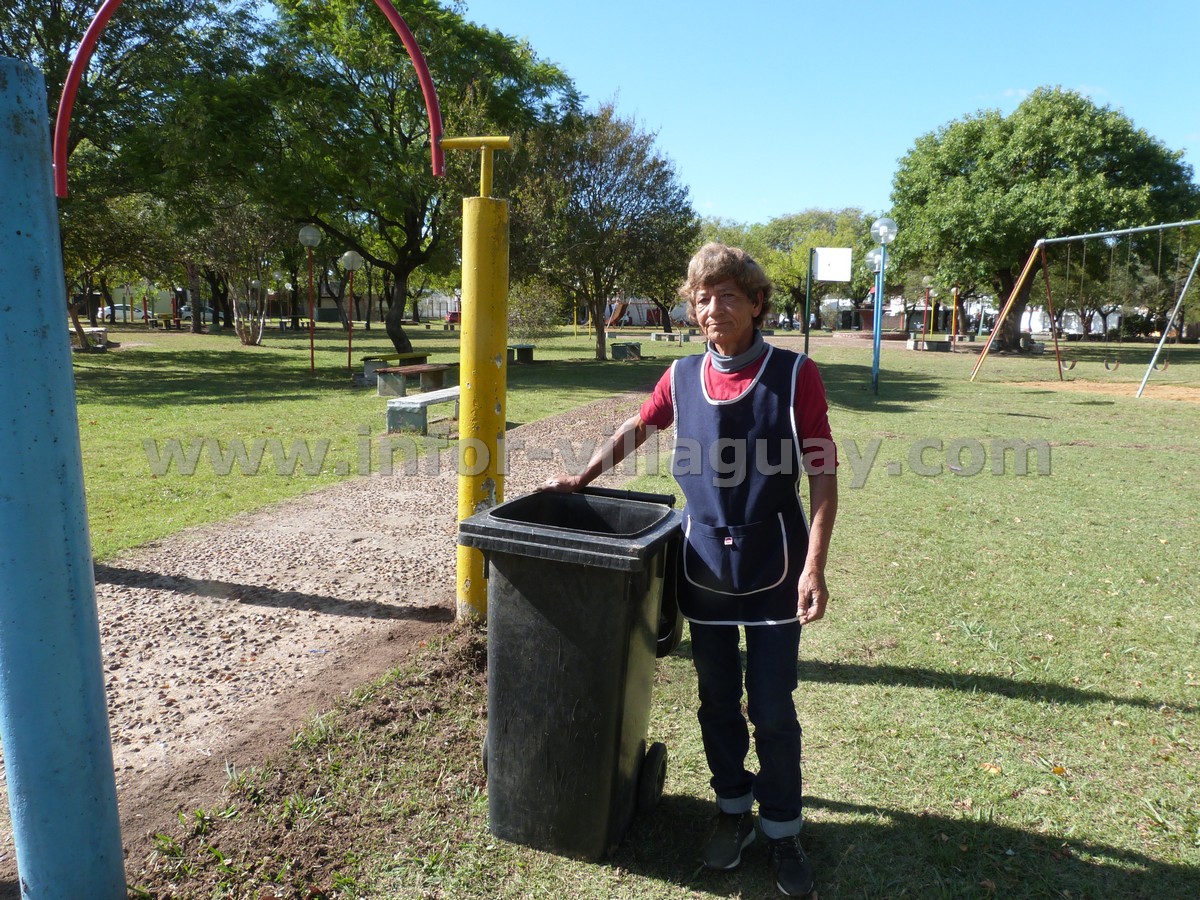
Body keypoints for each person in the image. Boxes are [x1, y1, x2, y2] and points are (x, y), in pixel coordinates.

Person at [543, 242, 838, 897]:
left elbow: (823, 474)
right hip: (702, 562)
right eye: (702, 298)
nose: (712, 309)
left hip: (775, 563)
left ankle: (783, 827)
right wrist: (582, 476)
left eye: (727, 295)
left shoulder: (795, 375)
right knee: (715, 699)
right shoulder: (680, 376)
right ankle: (732, 810)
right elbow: (640, 424)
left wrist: (814, 567)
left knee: (772, 705)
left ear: (756, 303)